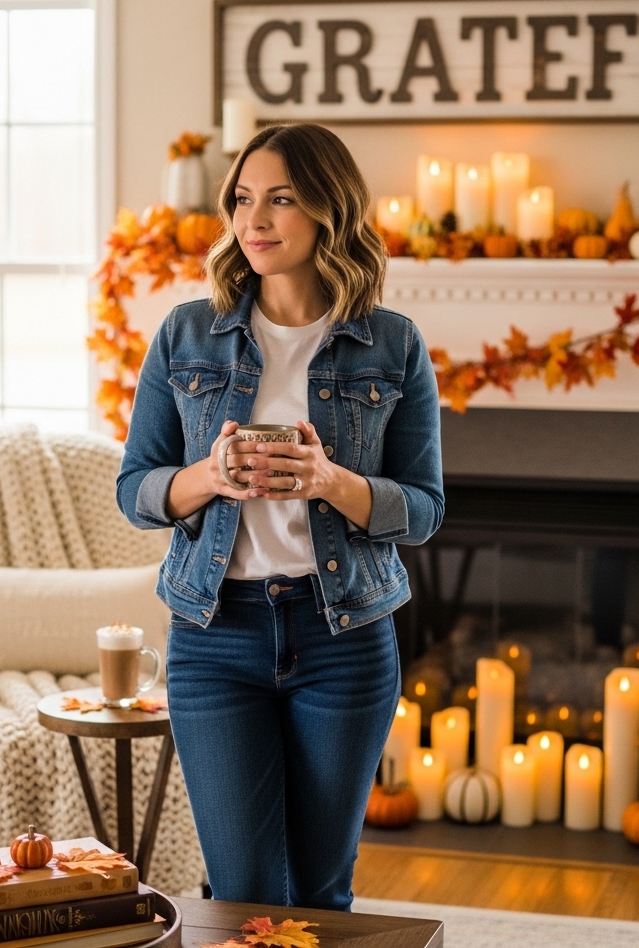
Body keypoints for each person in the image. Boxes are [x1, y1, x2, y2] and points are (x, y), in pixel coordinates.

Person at [116, 123, 443, 910]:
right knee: (243, 891)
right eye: (243, 199)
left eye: (281, 199)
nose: (253, 220)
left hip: (346, 640)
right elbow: (136, 490)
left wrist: (332, 481)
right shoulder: (187, 334)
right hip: (214, 639)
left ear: (330, 211)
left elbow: (424, 510)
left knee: (321, 892)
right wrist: (210, 475)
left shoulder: (392, 345)